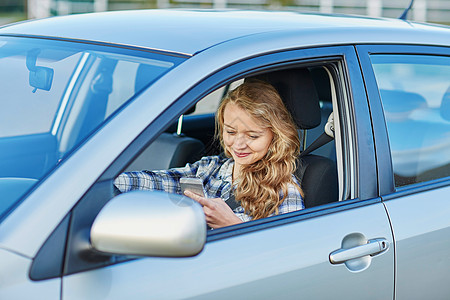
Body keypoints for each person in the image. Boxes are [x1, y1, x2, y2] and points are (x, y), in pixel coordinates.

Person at [114, 80, 304, 228]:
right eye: (230, 132)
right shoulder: (209, 169)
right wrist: (101, 183)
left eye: (252, 135)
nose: (238, 144)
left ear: (276, 135)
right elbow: (158, 181)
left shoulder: (284, 190)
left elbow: (288, 254)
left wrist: (232, 224)